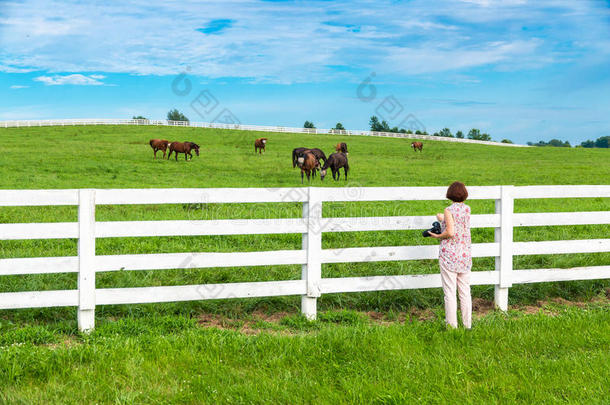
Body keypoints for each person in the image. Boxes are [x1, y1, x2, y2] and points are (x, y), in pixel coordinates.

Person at [428, 181, 472, 329]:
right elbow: (457, 224)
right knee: (465, 292)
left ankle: (452, 326)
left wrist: (436, 236)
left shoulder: (449, 209)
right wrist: (443, 219)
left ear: (450, 194)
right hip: (464, 254)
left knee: (450, 292)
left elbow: (451, 232)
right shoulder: (467, 209)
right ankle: (467, 325)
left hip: (450, 255)